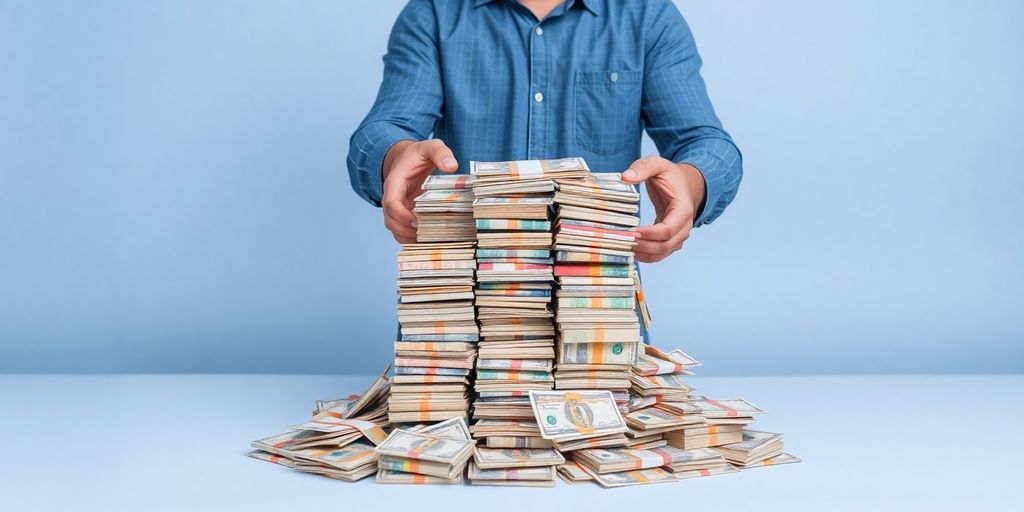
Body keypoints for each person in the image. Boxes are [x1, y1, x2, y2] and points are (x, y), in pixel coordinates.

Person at [347, 0, 741, 263]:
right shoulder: (432, 13)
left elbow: (707, 144)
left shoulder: (648, 17)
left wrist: (691, 182)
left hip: (598, 306)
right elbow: (383, 130)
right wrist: (394, 157)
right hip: (464, 312)